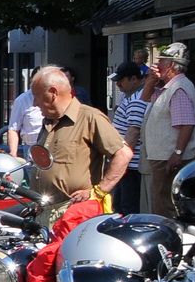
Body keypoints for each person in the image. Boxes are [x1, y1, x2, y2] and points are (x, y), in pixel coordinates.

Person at [28, 66, 130, 209]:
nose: (34, 103)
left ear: (53, 93)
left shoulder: (89, 117)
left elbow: (123, 154)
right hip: (45, 211)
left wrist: (100, 191)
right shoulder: (49, 122)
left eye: (36, 97)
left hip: (75, 213)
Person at [141, 42, 195, 216]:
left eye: (162, 61)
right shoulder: (168, 87)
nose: (157, 65)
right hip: (162, 157)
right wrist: (151, 80)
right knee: (161, 202)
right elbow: (144, 98)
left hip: (168, 159)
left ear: (172, 64)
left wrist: (178, 153)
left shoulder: (178, 88)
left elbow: (187, 124)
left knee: (166, 205)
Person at [109, 63, 150, 215]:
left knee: (127, 206)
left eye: (121, 80)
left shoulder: (137, 99)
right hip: (128, 162)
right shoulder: (131, 97)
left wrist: (122, 159)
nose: (118, 84)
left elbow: (133, 131)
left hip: (130, 164)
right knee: (120, 204)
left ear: (134, 79)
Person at [6, 86, 44, 158]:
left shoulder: (57, 98)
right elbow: (13, 129)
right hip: (32, 147)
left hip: (51, 147)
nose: (35, 104)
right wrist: (13, 154)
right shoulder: (21, 100)